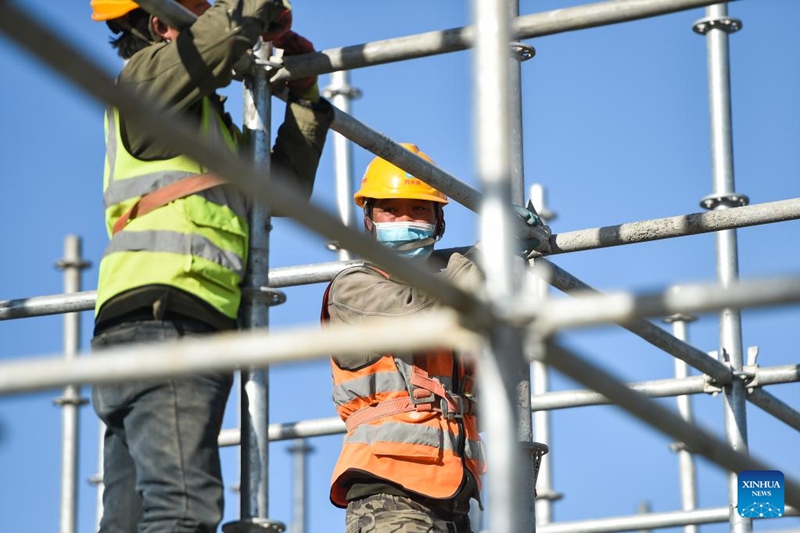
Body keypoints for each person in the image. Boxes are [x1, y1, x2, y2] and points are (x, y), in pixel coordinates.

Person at [88, 1, 333, 532]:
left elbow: (281, 191)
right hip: (171, 320)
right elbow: (218, 43)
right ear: (160, 24)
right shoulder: (145, 79)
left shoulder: (201, 125)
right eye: (199, 12)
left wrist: (305, 97)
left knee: (128, 522)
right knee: (183, 510)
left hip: (147, 325)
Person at [322, 144, 549, 532]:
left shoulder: (460, 283)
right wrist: (486, 255)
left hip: (455, 495)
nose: (405, 219)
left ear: (439, 222)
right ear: (369, 220)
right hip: (389, 489)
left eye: (419, 209)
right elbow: (417, 310)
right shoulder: (353, 288)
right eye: (391, 210)